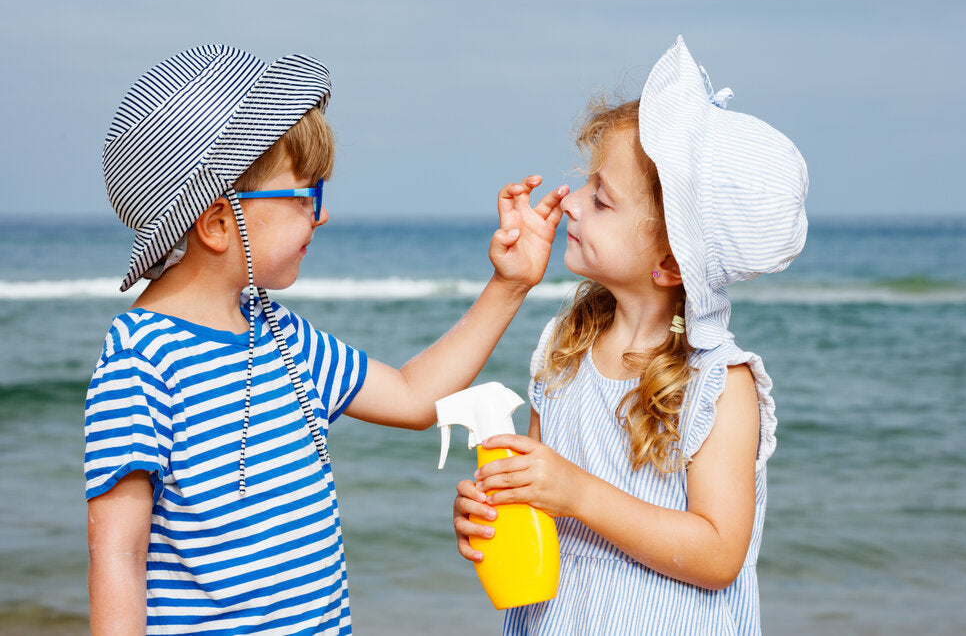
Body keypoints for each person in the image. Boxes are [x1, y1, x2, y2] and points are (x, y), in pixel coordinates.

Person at [84, 44, 567, 635]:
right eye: (304, 195)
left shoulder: (283, 335)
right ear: (216, 223)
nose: (322, 214)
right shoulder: (142, 360)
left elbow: (415, 396)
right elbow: (118, 555)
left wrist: (509, 284)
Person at [452, 35, 808, 634]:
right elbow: (546, 500)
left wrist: (576, 493)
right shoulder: (561, 349)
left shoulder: (719, 385)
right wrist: (496, 511)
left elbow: (719, 555)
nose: (571, 204)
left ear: (670, 263)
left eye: (603, 200)